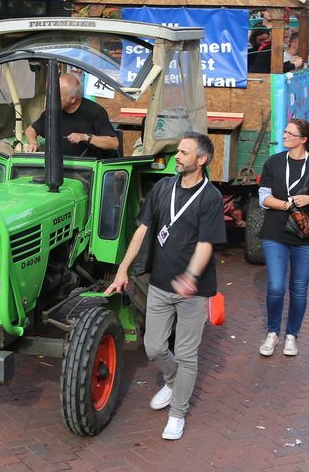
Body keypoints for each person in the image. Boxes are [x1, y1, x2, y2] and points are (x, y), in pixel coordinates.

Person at [105, 132, 225, 440]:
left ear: (202, 159)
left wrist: (190, 277)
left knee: (186, 354)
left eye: (184, 153)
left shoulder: (210, 197)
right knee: (154, 347)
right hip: (159, 284)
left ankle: (177, 414)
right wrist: (122, 269)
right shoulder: (162, 187)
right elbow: (142, 231)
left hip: (192, 292)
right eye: (178, 151)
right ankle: (173, 382)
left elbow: (206, 244)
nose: (177, 156)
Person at [256, 118, 309, 358]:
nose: (285, 136)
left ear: (304, 139)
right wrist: (285, 205)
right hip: (275, 234)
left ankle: (291, 336)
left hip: (307, 237)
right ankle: (273, 333)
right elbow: (263, 198)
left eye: (290, 133)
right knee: (276, 286)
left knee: (299, 289)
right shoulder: (274, 162)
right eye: (285, 132)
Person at [24, 74, 119, 158]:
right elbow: (30, 130)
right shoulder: (53, 111)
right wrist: (33, 142)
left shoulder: (95, 112)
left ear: (72, 99)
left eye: (57, 97)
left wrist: (85, 137)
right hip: (61, 166)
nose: (52, 99)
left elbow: (114, 143)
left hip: (90, 168)